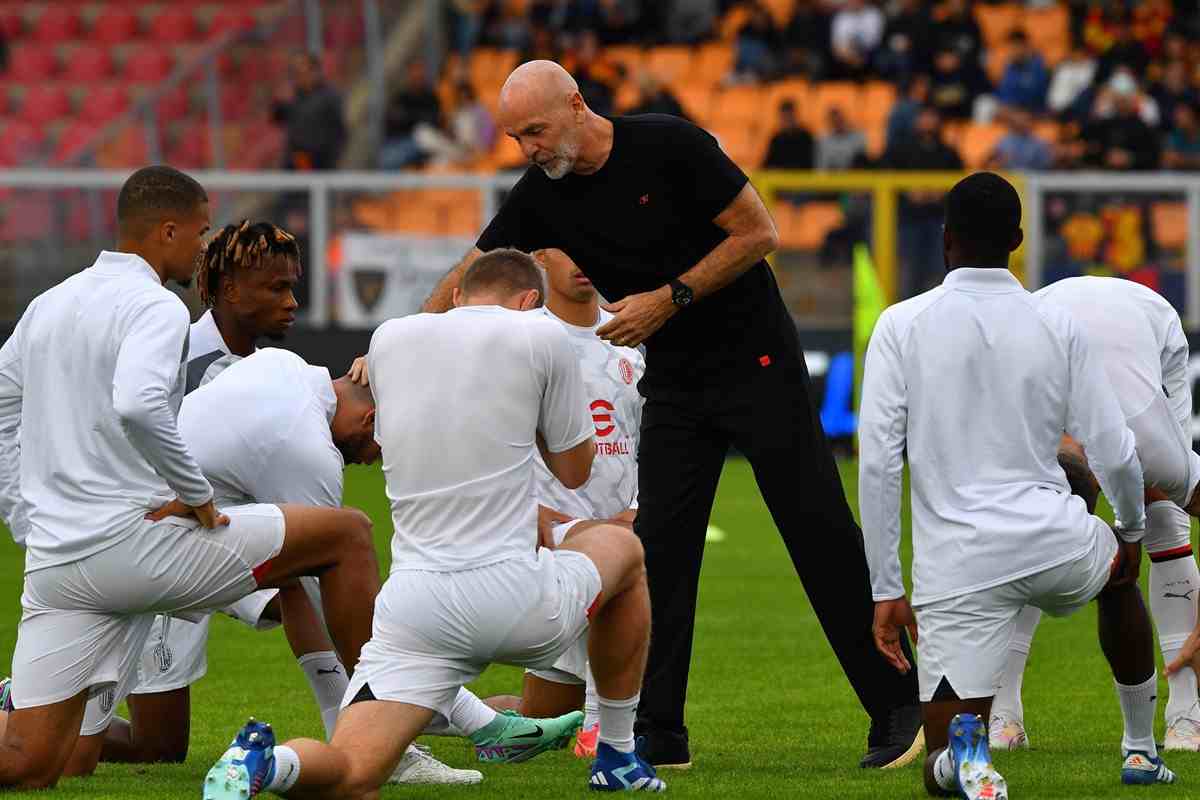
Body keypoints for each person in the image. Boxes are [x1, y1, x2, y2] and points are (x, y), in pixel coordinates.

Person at [419, 60, 922, 771]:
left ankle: (899, 706)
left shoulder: (669, 144)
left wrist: (667, 299)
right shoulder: (541, 193)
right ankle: (657, 731)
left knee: (818, 532)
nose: (528, 148)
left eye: (535, 130)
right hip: (675, 381)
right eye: (515, 138)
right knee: (656, 553)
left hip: (757, 363)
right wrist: (401, 346)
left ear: (575, 105)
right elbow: (469, 274)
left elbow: (759, 233)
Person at [202, 248, 665, 797]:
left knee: (352, 773)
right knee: (625, 552)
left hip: (414, 609)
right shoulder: (542, 335)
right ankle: (617, 753)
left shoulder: (389, 340)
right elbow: (574, 470)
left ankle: (269, 763)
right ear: (530, 302)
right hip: (512, 596)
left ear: (457, 297)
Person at [0, 165, 380, 790]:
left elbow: (3, 407)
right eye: (201, 233)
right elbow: (139, 404)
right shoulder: (157, 305)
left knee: (30, 764)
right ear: (168, 231)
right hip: (134, 547)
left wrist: (23, 517)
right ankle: (381, 731)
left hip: (57, 563)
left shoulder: (49, 303)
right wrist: (197, 493)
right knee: (346, 534)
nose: (205, 248)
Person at [860, 172, 1176, 799]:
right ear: (1018, 240)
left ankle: (965, 759)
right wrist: (1131, 532)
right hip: (1055, 541)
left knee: (939, 764)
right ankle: (1141, 749)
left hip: (957, 570)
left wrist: (887, 588)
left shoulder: (900, 325)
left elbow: (877, 464)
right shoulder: (1057, 323)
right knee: (1119, 579)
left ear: (946, 238)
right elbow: (1114, 450)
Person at [988, 276, 1200, 753]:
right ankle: (1003, 716)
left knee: (1165, 519)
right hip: (1047, 320)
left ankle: (1188, 714)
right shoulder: (1016, 428)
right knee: (1022, 534)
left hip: (1147, 325)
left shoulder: (1153, 447)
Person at [478, 247, 645, 760]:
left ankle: (596, 728)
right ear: (541, 256)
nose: (583, 259)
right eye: (567, 247)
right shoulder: (522, 337)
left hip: (623, 524)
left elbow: (653, 436)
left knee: (547, 717)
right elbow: (488, 435)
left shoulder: (632, 335)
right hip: (552, 536)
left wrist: (641, 505)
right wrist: (527, 512)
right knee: (542, 722)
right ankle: (596, 728)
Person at [271, 54, 346, 171]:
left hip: (320, 161)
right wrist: (278, 102)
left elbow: (339, 130)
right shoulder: (294, 95)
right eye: (295, 73)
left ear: (315, 72)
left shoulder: (330, 96)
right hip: (295, 159)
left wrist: (332, 158)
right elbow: (278, 119)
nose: (298, 78)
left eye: (302, 73)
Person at [987, 108, 1052, 171]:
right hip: (1008, 174)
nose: (1022, 123)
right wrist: (999, 161)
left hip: (1033, 175)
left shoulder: (1039, 143)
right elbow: (991, 160)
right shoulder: (1004, 141)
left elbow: (1046, 165)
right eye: (1019, 120)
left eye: (1026, 120)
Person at [764, 100, 815, 169]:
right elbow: (767, 165)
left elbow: (810, 163)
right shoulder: (777, 139)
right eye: (784, 117)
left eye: (789, 116)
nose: (787, 119)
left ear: (795, 116)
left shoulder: (805, 137)